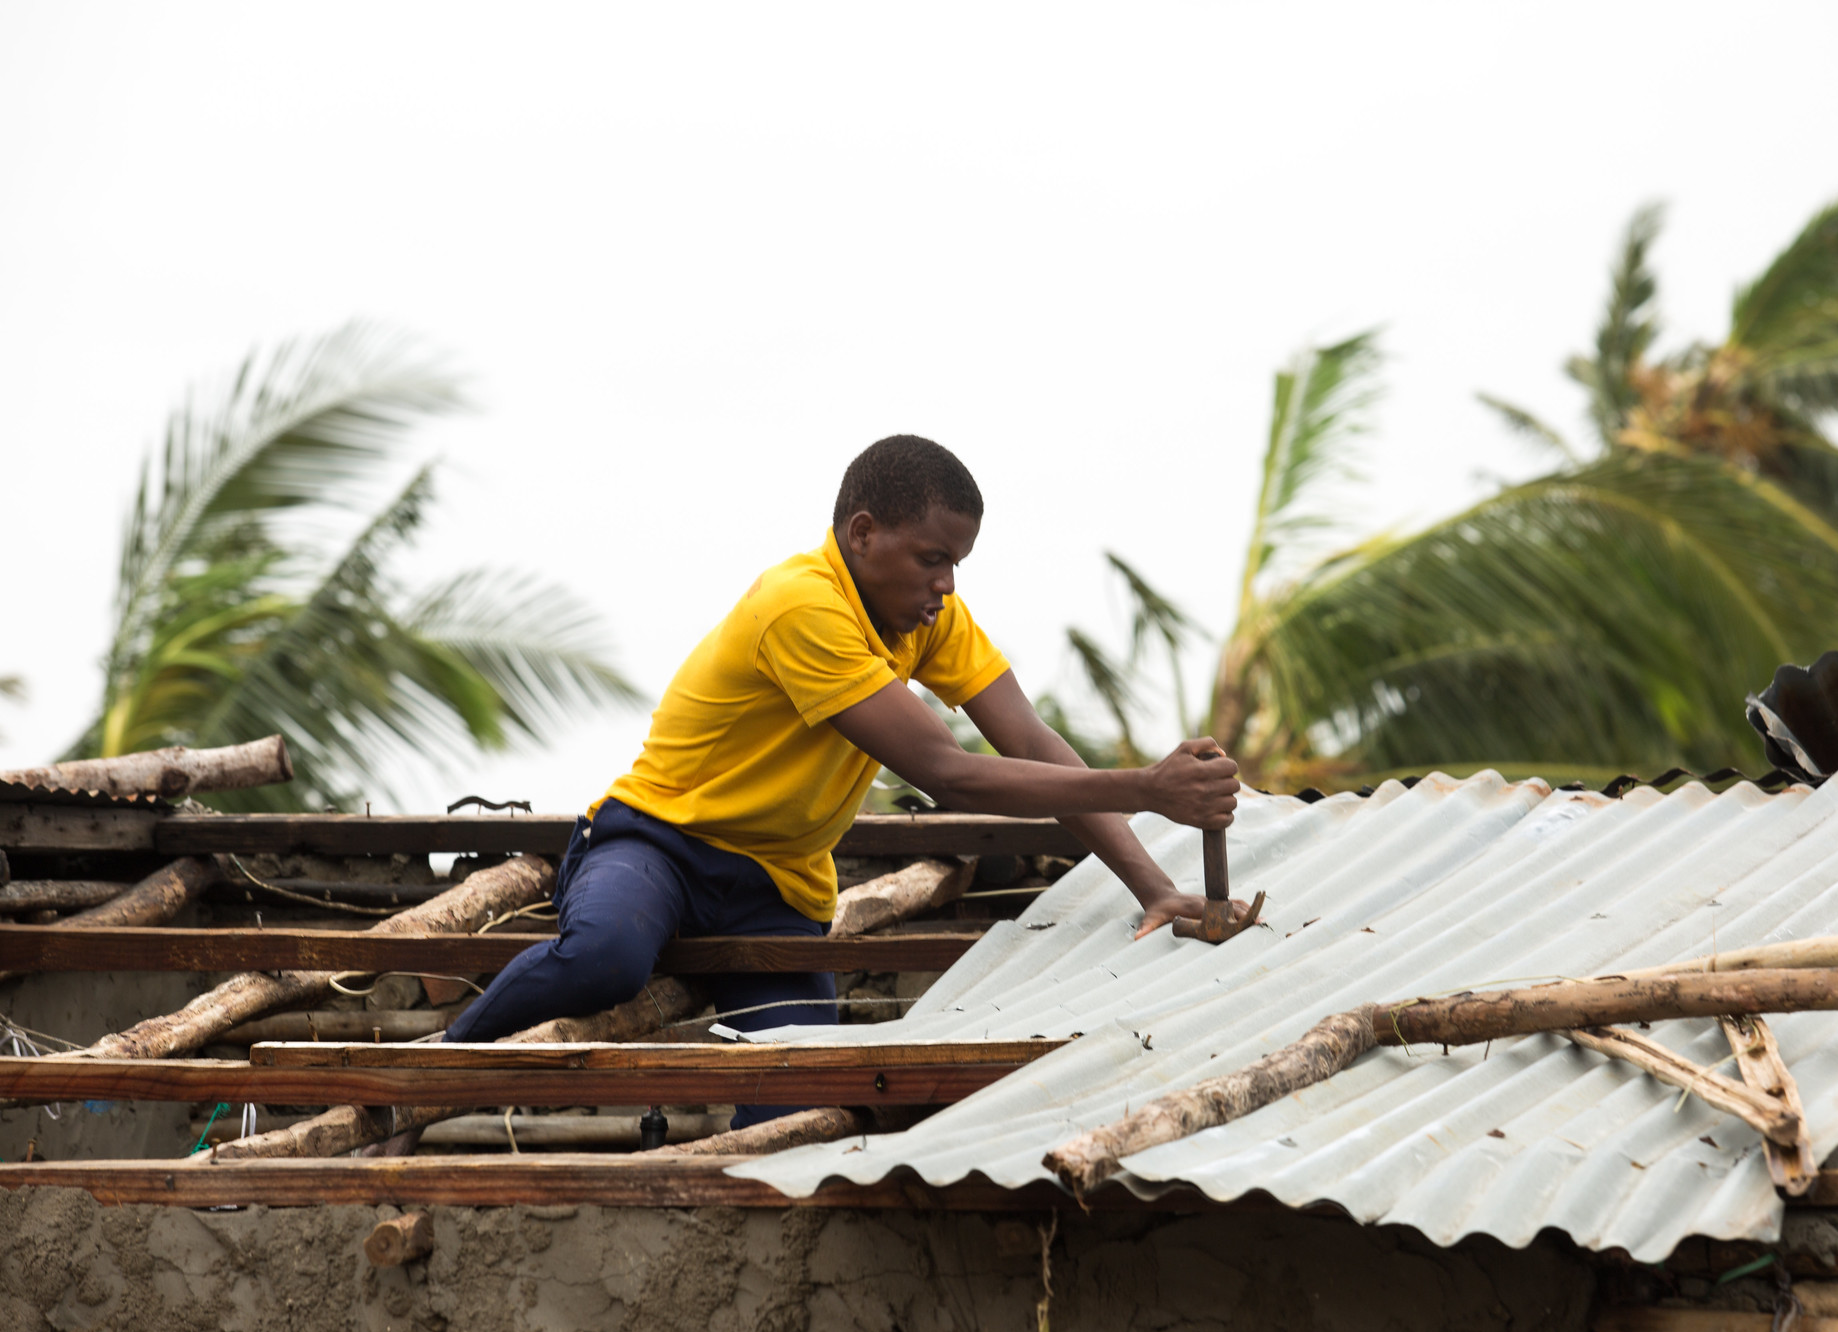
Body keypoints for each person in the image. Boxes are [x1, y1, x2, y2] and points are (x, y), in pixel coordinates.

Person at [440, 434, 1245, 1129]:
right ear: (863, 534)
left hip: (776, 888)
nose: (948, 586)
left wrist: (1153, 888)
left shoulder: (925, 620)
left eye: (957, 564)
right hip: (660, 844)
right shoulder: (802, 606)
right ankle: (424, 1081)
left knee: (793, 1094)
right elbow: (945, 770)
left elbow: (1028, 736)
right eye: (933, 559)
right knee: (606, 958)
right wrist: (1147, 785)